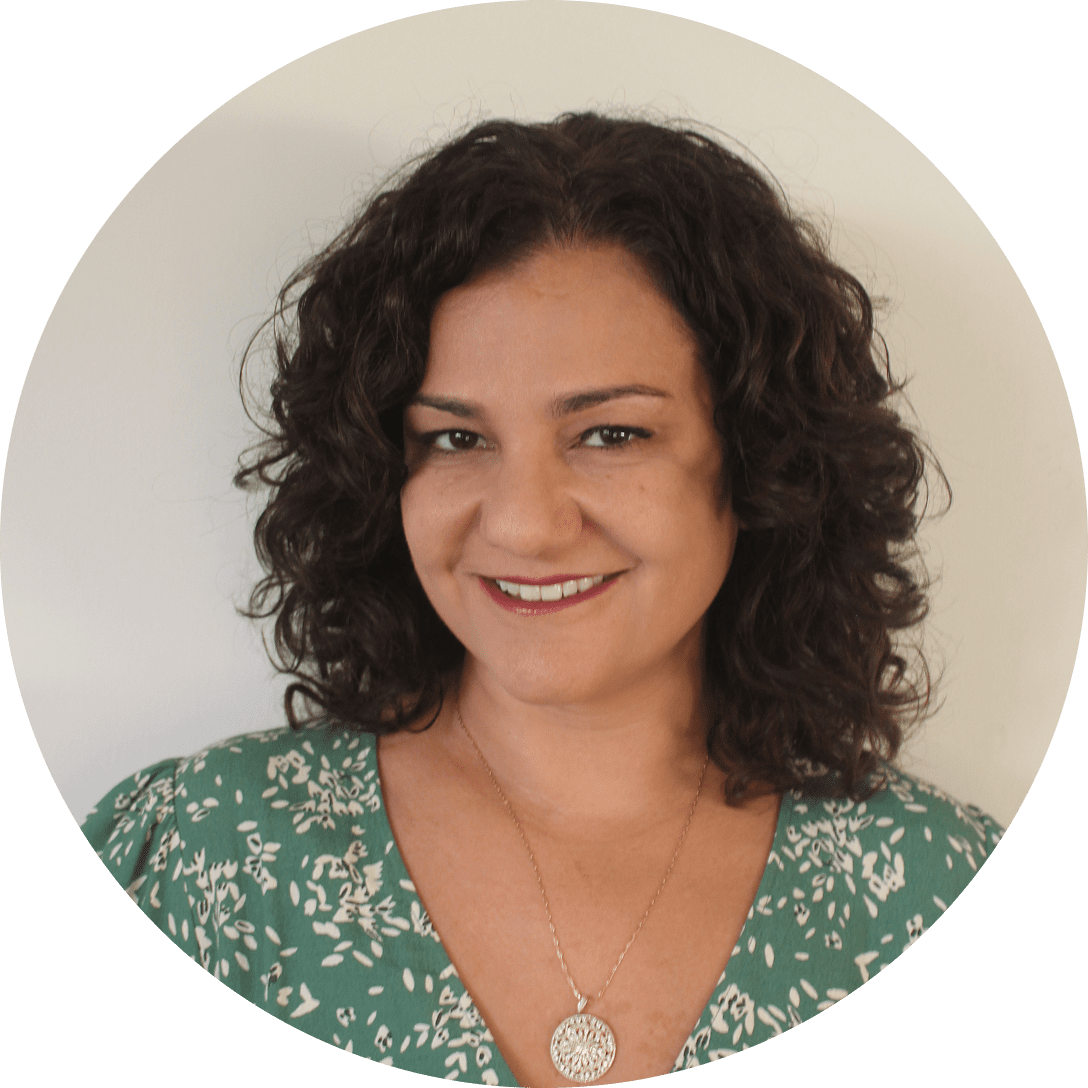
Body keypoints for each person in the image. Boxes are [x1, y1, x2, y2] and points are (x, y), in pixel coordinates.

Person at [82, 113, 1002, 1085]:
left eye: (609, 433)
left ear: (760, 460)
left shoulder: (944, 900)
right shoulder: (201, 859)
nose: (522, 523)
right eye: (454, 437)